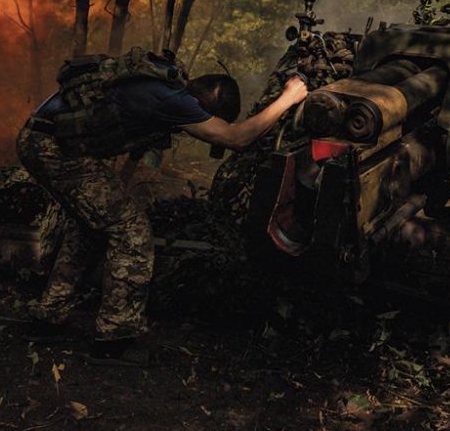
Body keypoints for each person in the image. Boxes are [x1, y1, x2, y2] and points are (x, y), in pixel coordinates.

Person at [16, 48, 308, 365]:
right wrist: (288, 98)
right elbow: (236, 138)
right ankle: (114, 340)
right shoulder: (172, 100)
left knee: (88, 227)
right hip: (53, 149)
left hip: (42, 139)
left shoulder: (162, 84)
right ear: (202, 104)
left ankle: (47, 319)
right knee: (131, 232)